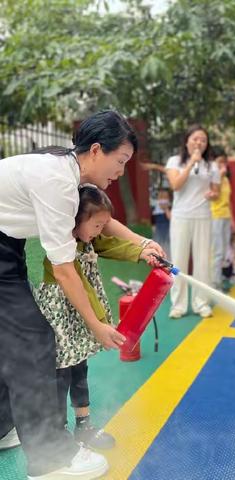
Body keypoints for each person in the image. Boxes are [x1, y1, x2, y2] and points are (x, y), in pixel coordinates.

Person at [0, 110, 164, 480]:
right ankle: (49, 459)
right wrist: (96, 324)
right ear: (95, 150)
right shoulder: (57, 180)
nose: (121, 172)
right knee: (32, 339)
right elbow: (63, 268)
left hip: (5, 244)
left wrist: (141, 242)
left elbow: (103, 219)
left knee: (12, 338)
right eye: (119, 161)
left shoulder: (69, 172)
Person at [35, 186, 160, 450]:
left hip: (83, 314)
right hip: (65, 314)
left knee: (80, 367)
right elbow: (83, 289)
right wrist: (101, 323)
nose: (101, 230)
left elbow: (110, 244)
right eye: (97, 224)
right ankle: (59, 435)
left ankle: (84, 426)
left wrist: (141, 251)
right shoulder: (63, 245)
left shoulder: (88, 238)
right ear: (76, 219)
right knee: (61, 373)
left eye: (104, 224)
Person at [166, 125, 220, 319]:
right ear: (187, 140)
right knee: (178, 260)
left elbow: (216, 192)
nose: (199, 143)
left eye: (203, 140)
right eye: (195, 139)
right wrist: (191, 163)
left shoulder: (212, 166)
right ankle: (178, 305)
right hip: (181, 216)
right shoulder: (174, 161)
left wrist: (213, 195)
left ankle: (201, 303)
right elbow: (175, 185)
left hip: (203, 217)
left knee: (202, 262)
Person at [210, 146, 234, 290]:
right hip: (215, 216)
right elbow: (213, 196)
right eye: (219, 162)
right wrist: (219, 175)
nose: (222, 165)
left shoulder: (226, 180)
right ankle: (214, 283)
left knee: (225, 252)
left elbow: (228, 200)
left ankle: (219, 279)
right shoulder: (213, 178)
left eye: (224, 162)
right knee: (217, 251)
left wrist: (233, 221)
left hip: (226, 217)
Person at [151, 188, 171, 258]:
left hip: (167, 230)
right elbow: (153, 222)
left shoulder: (170, 207)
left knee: (168, 246)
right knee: (159, 245)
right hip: (158, 231)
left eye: (165, 198)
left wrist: (166, 209)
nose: (163, 200)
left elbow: (171, 218)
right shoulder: (155, 210)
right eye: (161, 198)